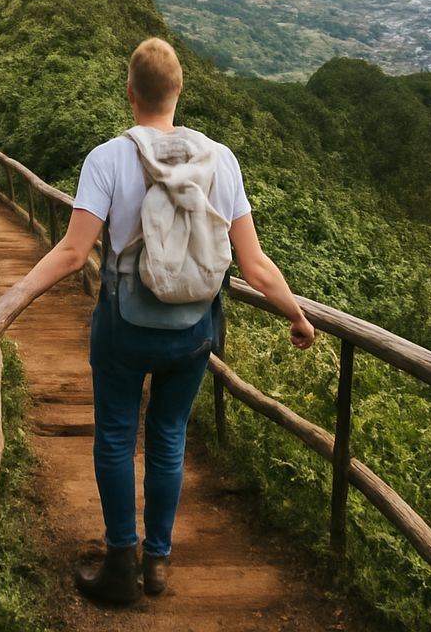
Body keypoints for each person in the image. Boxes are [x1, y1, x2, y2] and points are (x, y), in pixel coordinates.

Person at [17, 37, 316, 603]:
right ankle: (156, 563)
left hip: (124, 330)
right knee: (169, 437)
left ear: (130, 93)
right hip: (193, 332)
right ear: (179, 90)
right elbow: (253, 264)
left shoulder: (107, 159)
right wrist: (297, 315)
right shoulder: (220, 161)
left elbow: (72, 254)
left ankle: (119, 566)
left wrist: (14, 297)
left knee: (114, 435)